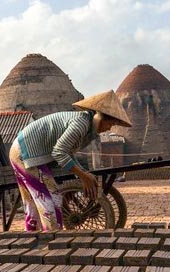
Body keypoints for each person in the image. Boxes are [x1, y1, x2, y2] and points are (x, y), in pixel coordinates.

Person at [9, 90, 132, 231]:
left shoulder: (87, 127)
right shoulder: (81, 124)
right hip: (26, 152)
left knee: (33, 204)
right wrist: (83, 175)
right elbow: (59, 152)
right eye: (110, 124)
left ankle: (34, 239)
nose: (108, 128)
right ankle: (52, 240)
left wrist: (84, 173)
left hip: (25, 151)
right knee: (51, 200)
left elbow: (69, 153)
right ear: (100, 117)